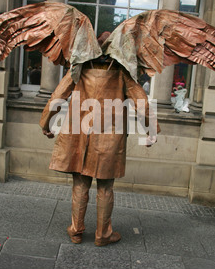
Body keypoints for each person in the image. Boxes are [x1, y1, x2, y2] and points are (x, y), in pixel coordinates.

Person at [39, 33, 159, 247]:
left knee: (80, 183)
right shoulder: (122, 72)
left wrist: (47, 123)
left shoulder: (79, 68)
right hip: (109, 139)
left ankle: (76, 231)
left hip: (79, 136)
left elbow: (58, 94)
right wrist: (151, 131)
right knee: (105, 187)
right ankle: (103, 234)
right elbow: (141, 101)